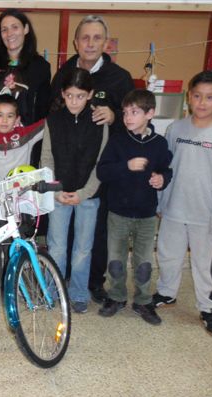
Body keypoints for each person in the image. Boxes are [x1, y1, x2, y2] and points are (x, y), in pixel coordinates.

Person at [50, 15, 134, 305]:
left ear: (105, 42)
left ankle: (88, 285)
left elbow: (130, 118)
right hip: (63, 176)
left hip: (96, 175)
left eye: (97, 38)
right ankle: (59, 287)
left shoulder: (119, 77)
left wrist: (113, 116)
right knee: (59, 243)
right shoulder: (63, 72)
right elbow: (52, 118)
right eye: (85, 37)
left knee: (91, 239)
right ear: (75, 42)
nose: (90, 43)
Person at [154, 71, 212, 338]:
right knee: (168, 255)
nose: (202, 102)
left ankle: (208, 308)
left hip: (206, 214)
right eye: (197, 96)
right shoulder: (175, 129)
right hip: (173, 209)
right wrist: (159, 202)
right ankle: (167, 294)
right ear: (189, 97)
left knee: (205, 265)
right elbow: (165, 169)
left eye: (210, 97)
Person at [96, 89, 172, 325]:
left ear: (150, 113)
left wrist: (162, 179)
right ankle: (117, 297)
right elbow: (103, 171)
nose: (128, 117)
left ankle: (143, 301)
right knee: (116, 261)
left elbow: (166, 169)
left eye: (135, 112)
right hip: (118, 213)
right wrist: (126, 166)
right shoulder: (118, 141)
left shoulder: (159, 144)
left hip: (146, 215)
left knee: (143, 263)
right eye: (126, 112)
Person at [40, 68, 109, 314]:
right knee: (56, 246)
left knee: (83, 248)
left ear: (90, 94)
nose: (74, 101)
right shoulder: (54, 120)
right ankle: (52, 291)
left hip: (88, 197)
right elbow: (46, 158)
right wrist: (55, 191)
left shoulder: (100, 121)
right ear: (62, 93)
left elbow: (102, 163)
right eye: (69, 95)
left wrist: (85, 192)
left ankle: (79, 293)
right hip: (58, 195)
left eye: (80, 96)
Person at [0, 93, 44, 297]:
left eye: (10, 116)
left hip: (20, 203)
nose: (4, 120)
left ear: (18, 119)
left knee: (20, 243)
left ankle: (21, 281)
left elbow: (50, 123)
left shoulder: (25, 135)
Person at [0, 8, 51, 126]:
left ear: (25, 29)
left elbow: (43, 109)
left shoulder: (40, 67)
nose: (9, 34)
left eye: (15, 27)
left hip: (26, 138)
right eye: (4, 30)